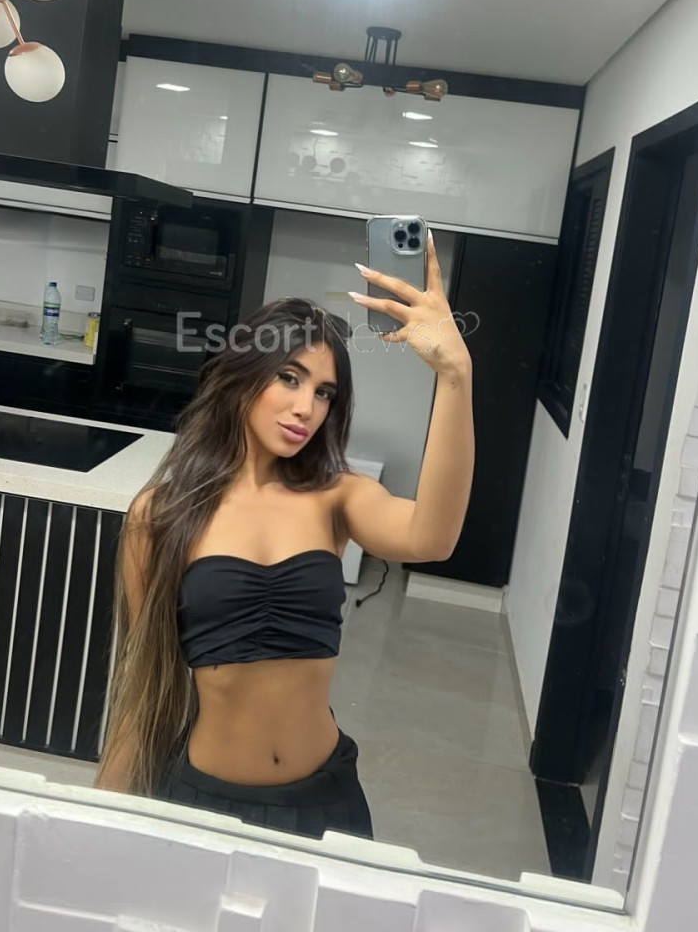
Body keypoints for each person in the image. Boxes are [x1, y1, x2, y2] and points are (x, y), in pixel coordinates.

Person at [94, 233, 475, 840]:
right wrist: (93, 827)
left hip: (325, 803)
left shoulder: (337, 497)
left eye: (324, 393)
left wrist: (455, 375)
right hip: (201, 801)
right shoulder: (162, 513)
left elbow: (433, 538)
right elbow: (142, 694)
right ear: (243, 378)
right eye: (290, 379)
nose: (306, 408)